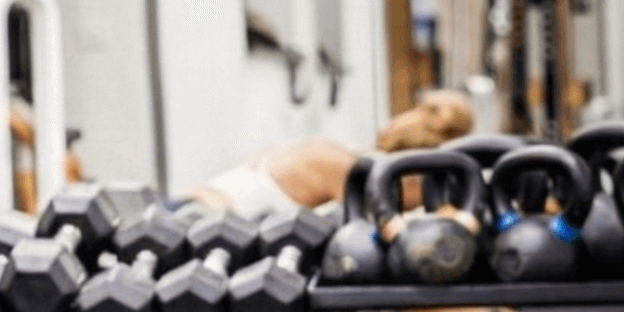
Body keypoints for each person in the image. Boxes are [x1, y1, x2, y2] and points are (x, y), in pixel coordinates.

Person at [188, 89, 475, 219]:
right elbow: (393, 224)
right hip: (200, 225)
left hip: (190, 209)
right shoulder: (351, 171)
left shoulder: (334, 151)